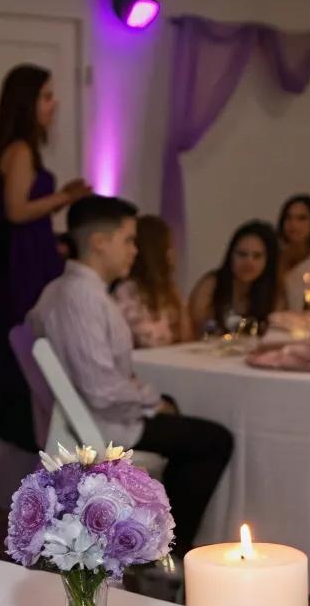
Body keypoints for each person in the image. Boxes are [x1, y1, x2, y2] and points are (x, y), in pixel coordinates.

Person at [29, 196, 233, 558]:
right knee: (214, 441)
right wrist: (151, 400)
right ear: (99, 242)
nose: (135, 251)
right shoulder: (82, 297)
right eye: (128, 240)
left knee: (183, 419)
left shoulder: (61, 288)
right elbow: (102, 390)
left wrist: (149, 399)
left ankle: (156, 540)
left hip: (96, 417)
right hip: (104, 428)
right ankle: (165, 552)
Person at [0, 64, 89, 449]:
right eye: (45, 96)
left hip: (19, 259)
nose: (53, 104)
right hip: (17, 268)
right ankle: (26, 443)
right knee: (27, 349)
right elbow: (16, 211)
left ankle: (23, 442)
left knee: (25, 351)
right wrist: (65, 197)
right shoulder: (21, 149)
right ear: (26, 102)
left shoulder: (11, 148)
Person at [112, 214, 192, 348]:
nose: (174, 254)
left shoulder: (169, 290)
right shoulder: (127, 292)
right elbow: (150, 342)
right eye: (170, 246)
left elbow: (187, 338)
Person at [188, 221, 280, 337]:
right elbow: (193, 329)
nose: (249, 262)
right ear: (230, 255)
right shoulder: (212, 284)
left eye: (257, 256)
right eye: (242, 254)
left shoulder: (273, 291)